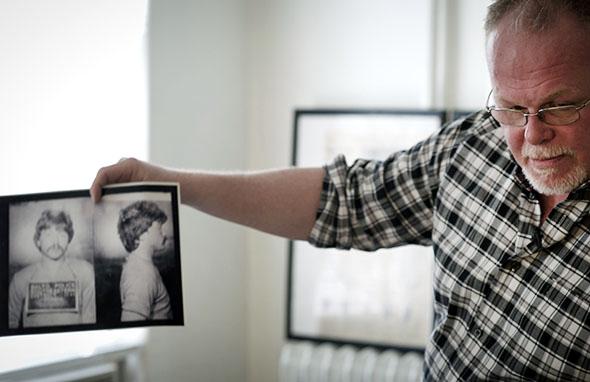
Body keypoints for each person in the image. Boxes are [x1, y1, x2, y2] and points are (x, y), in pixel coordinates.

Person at [90, 0, 590, 379]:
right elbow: (344, 202)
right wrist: (172, 184)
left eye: (560, 107)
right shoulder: (474, 145)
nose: (530, 136)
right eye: (510, 107)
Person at [9, 209, 96, 328]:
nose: (55, 242)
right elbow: (9, 325)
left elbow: (90, 322)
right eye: (49, 235)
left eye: (61, 235)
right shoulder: (20, 279)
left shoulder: (85, 272)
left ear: (69, 240)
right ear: (38, 241)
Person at [117, 200, 172, 321]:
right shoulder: (141, 274)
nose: (164, 233)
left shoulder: (140, 264)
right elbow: (131, 327)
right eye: (159, 228)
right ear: (142, 234)